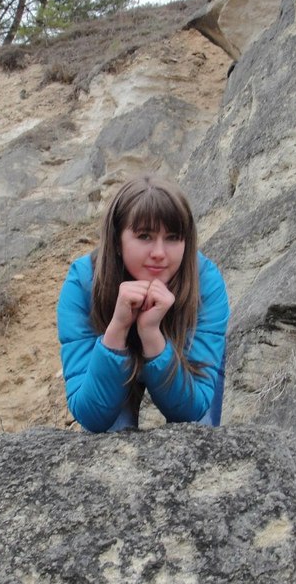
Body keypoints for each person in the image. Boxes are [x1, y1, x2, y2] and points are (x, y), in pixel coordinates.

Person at [57, 175, 229, 432]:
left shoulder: (205, 283)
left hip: (183, 376)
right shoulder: (83, 284)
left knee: (198, 437)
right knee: (109, 442)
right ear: (117, 240)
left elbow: (192, 413)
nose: (159, 253)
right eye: (144, 236)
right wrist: (117, 329)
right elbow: (91, 415)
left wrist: (150, 334)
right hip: (113, 364)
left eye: (173, 237)